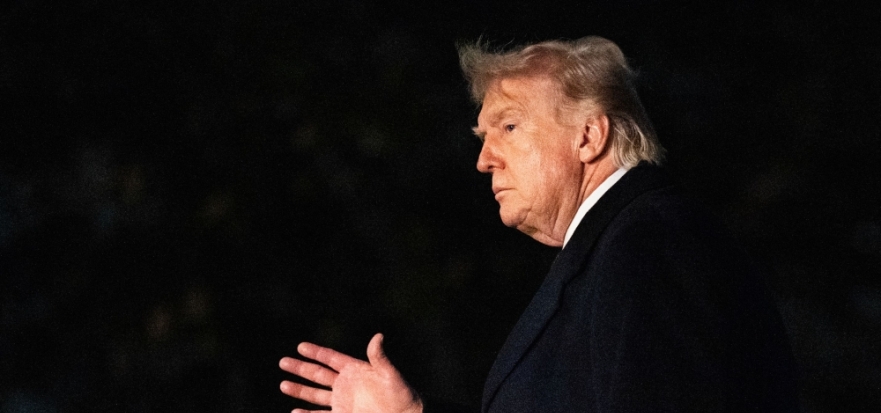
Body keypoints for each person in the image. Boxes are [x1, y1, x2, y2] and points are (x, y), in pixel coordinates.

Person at [279, 36, 799, 413]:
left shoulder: (649, 246)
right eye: (483, 135)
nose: (485, 159)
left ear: (589, 136)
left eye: (508, 126)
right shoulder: (618, 252)